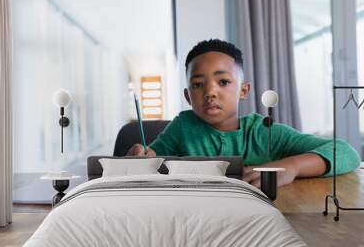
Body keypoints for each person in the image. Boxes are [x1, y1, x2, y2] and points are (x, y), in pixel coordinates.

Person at [127, 39, 360, 187]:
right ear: (188, 97)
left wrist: (291, 167)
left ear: (244, 90)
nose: (210, 92)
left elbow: (346, 152)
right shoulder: (182, 126)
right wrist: (143, 157)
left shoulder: (264, 133)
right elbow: (153, 158)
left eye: (224, 81)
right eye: (198, 84)